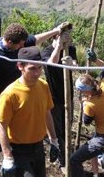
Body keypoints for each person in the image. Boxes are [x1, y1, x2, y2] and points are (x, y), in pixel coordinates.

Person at [0, 23, 65, 168]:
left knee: (24, 128)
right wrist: (1, 115)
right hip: (2, 101)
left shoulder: (17, 43)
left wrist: (56, 31)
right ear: (10, 42)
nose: (24, 45)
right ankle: (4, 157)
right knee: (13, 132)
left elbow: (35, 40)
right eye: (21, 44)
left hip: (20, 95)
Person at [0, 46, 59, 177]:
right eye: (32, 69)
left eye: (39, 68)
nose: (37, 73)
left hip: (38, 148)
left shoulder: (43, 86)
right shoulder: (10, 94)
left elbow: (47, 114)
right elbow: (2, 126)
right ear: (20, 66)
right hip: (19, 151)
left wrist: (54, 140)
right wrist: (8, 157)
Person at [69, 51, 104, 177]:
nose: (79, 92)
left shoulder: (90, 105)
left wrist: (83, 103)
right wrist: (95, 60)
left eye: (80, 90)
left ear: (85, 91)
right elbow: (103, 67)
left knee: (74, 160)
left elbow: (86, 123)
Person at [41, 24, 77, 173]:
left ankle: (67, 156)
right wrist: (60, 47)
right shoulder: (46, 51)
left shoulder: (71, 48)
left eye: (69, 38)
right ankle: (63, 161)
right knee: (58, 130)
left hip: (68, 96)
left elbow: (75, 64)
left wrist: (71, 63)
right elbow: (51, 63)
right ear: (57, 36)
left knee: (68, 125)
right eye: (65, 37)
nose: (69, 41)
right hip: (53, 97)